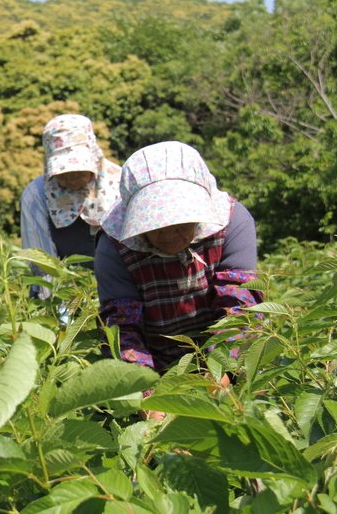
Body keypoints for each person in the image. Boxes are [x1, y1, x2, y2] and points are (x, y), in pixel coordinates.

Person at [94, 141, 262, 377]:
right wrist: (144, 391)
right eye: (157, 224)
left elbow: (240, 304)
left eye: (181, 221)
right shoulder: (114, 246)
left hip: (225, 353)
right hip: (154, 360)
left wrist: (223, 370)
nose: (171, 234)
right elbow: (122, 328)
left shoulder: (232, 222)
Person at [20, 114, 122, 301]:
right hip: (64, 294)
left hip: (121, 290)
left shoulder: (120, 184)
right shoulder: (36, 196)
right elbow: (42, 266)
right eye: (63, 173)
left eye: (78, 171)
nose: (71, 179)